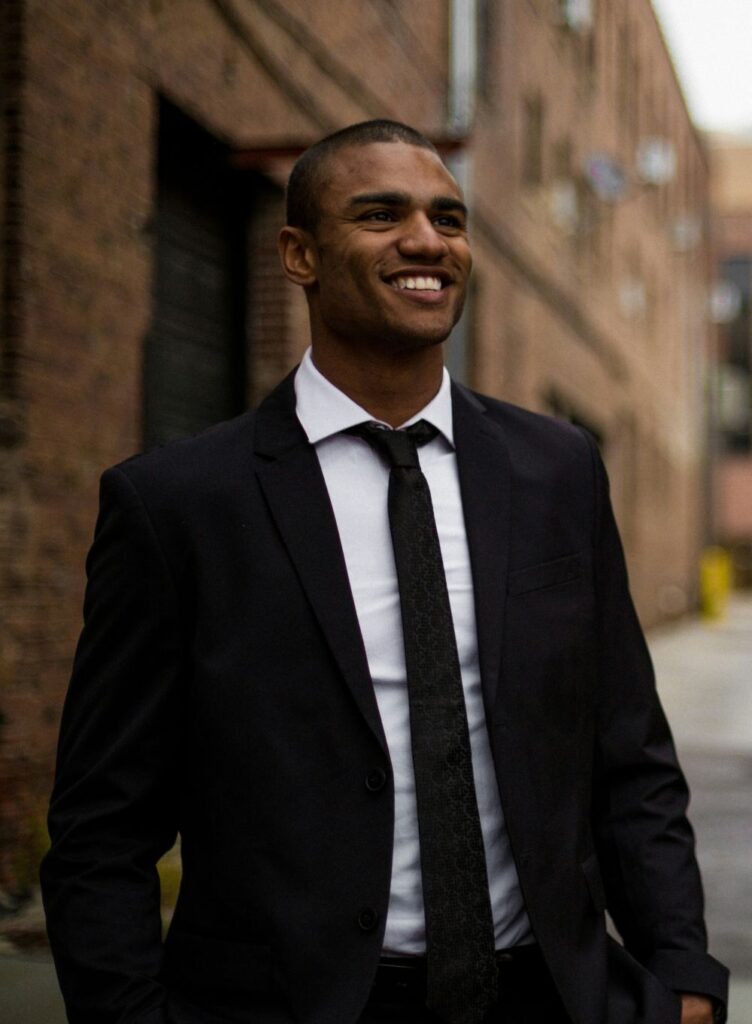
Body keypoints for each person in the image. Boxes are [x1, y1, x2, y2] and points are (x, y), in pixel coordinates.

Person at [41, 120, 728, 1024]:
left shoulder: (557, 471)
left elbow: (629, 753)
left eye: (449, 218)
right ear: (300, 254)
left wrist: (682, 973)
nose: (427, 241)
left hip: (547, 996)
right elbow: (103, 823)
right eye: (380, 215)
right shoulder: (178, 504)